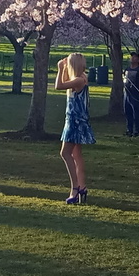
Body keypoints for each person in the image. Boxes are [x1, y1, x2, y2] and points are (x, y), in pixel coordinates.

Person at [56, 51, 95, 203]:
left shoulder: (79, 80)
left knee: (65, 153)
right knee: (76, 156)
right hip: (76, 120)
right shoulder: (80, 78)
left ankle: (75, 188)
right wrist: (65, 70)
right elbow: (66, 82)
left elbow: (59, 86)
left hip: (75, 122)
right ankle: (82, 187)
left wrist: (60, 69)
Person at [123, 52, 139, 137]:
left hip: (135, 94)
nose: (132, 59)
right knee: (127, 111)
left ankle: (137, 130)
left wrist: (138, 89)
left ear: (138, 60)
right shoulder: (127, 69)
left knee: (136, 112)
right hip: (126, 93)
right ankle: (129, 129)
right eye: (131, 57)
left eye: (134, 57)